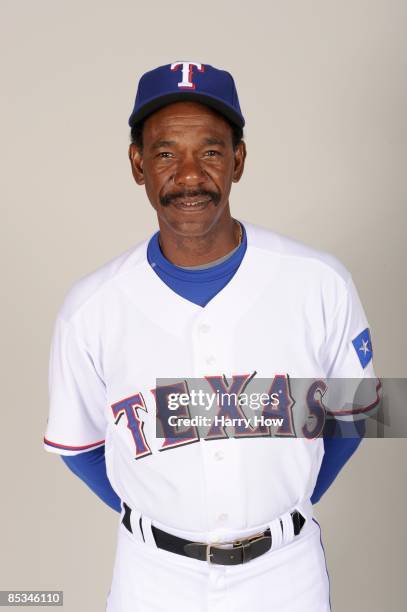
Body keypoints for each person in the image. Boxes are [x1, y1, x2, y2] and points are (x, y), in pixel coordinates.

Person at [43, 61, 379, 612]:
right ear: (137, 164)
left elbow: (358, 415)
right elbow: (79, 449)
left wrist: (286, 506)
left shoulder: (320, 281)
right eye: (166, 153)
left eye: (212, 151)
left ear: (239, 160)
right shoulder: (90, 308)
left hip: (286, 574)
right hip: (153, 579)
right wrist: (157, 518)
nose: (189, 174)